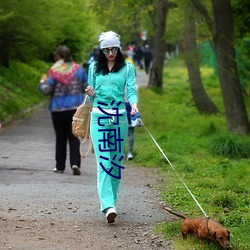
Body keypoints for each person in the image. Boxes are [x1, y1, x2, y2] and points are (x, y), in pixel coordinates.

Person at [85, 31, 138, 223]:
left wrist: (133, 104)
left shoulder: (127, 68)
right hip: (99, 117)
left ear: (119, 48)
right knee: (104, 161)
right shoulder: (93, 68)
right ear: (101, 50)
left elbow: (131, 90)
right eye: (106, 50)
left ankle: (112, 202)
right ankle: (107, 205)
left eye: (114, 49)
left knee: (115, 161)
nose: (110, 53)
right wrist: (90, 92)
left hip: (119, 119)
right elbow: (91, 97)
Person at [39, 45, 88, 175]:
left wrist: (42, 83)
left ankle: (60, 166)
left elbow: (47, 90)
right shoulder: (79, 70)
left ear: (58, 57)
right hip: (75, 109)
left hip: (58, 109)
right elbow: (86, 87)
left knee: (60, 138)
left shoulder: (54, 71)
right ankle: (75, 163)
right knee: (74, 137)